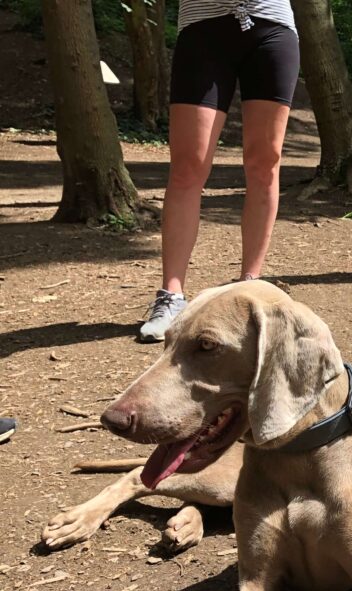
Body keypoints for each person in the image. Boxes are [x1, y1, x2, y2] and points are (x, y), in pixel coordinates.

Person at [138, 0, 301, 342]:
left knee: (265, 162)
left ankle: (250, 287)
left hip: (272, 26)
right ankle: (171, 296)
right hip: (203, 28)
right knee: (188, 166)